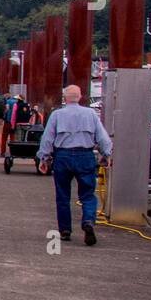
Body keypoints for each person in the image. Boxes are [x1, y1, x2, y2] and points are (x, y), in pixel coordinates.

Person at [36, 84, 113, 244]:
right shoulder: (91, 114)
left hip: (62, 156)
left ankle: (65, 230)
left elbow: (47, 138)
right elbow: (103, 138)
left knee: (63, 195)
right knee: (88, 194)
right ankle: (88, 221)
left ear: (65, 98)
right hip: (85, 155)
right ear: (80, 97)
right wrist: (106, 154)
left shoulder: (57, 115)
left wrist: (44, 158)